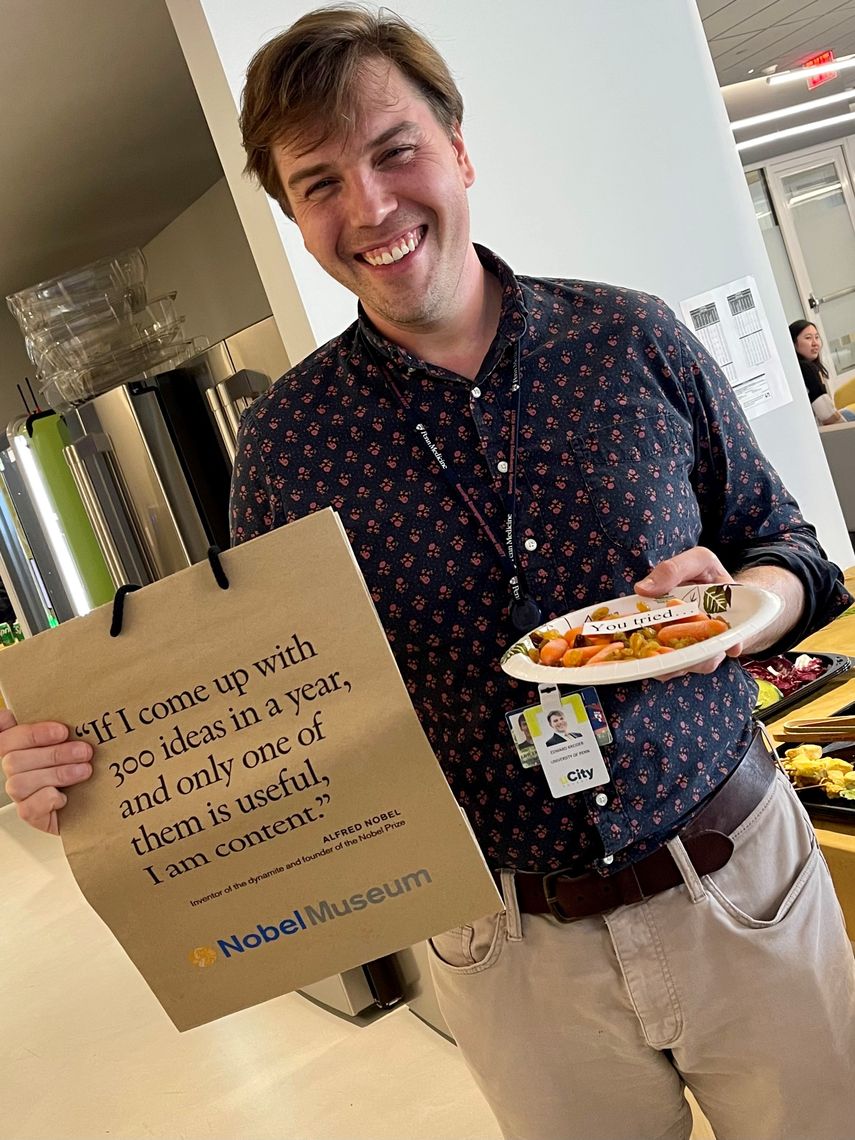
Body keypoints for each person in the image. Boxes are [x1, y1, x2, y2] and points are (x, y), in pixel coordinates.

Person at [3, 8, 854, 1139]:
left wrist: (744, 607)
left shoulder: (632, 341)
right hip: (507, 947)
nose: (369, 208)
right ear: (294, 216)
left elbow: (792, 549)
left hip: (743, 884)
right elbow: (268, 699)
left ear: (457, 149)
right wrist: (104, 777)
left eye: (394, 151)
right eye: (319, 183)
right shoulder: (289, 447)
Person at [789, 318, 855, 424]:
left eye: (817, 337)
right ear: (793, 343)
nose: (815, 343)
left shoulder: (797, 368)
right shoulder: (807, 368)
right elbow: (827, 416)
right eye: (808, 338)